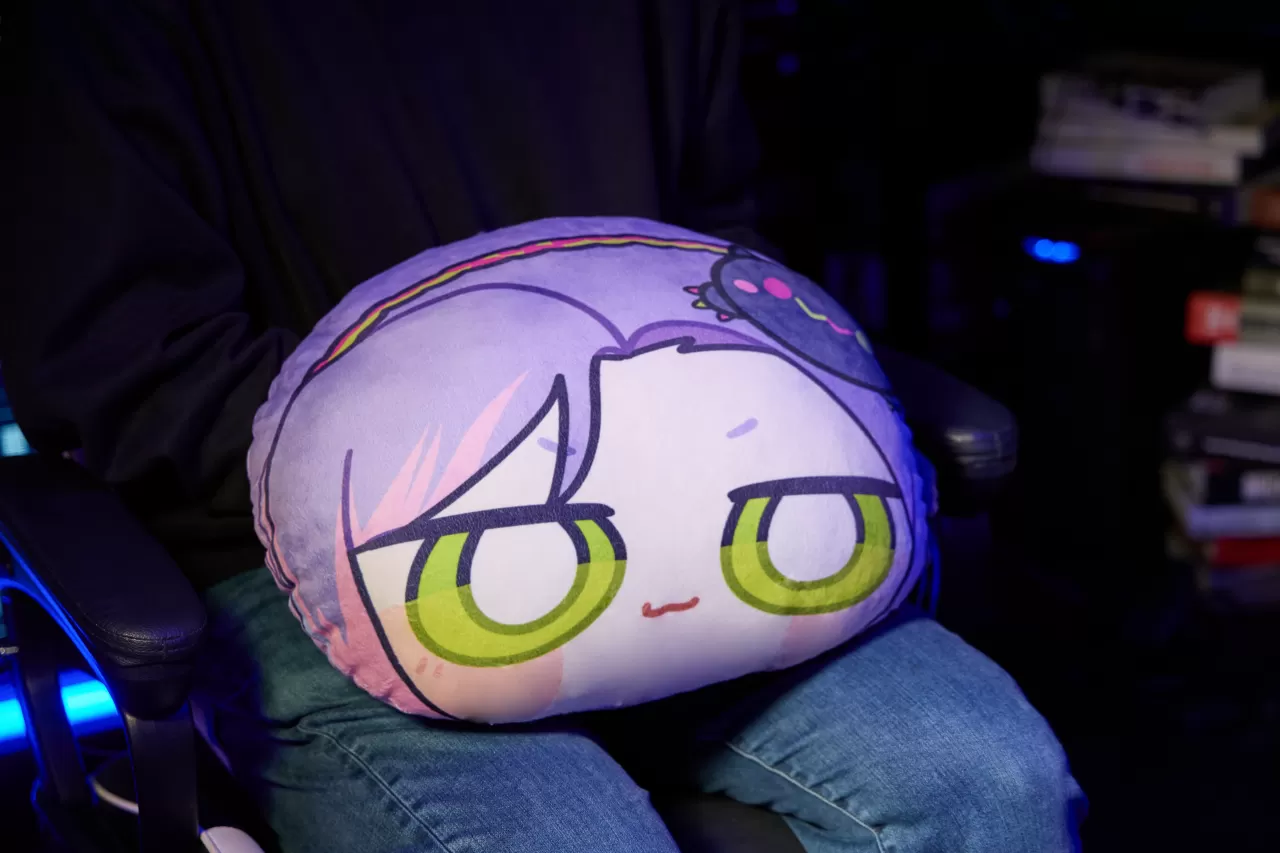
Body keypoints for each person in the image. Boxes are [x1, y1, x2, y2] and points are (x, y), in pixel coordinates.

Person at [0, 1, 1086, 850]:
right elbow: (130, 370)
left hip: (693, 519)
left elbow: (712, 254)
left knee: (987, 780)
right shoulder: (112, 27)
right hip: (328, 569)